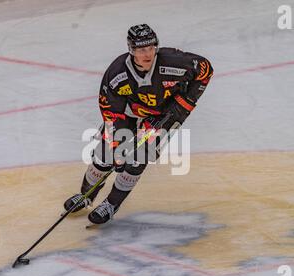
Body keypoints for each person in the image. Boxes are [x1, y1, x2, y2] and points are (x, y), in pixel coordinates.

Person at [64, 24, 213, 224]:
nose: (148, 53)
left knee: (139, 157)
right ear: (131, 50)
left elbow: (205, 70)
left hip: (166, 115)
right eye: (142, 49)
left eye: (151, 47)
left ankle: (112, 204)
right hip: (127, 113)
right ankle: (85, 195)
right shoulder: (117, 74)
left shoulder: (174, 63)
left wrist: (180, 107)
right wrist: (117, 146)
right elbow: (110, 113)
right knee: (106, 155)